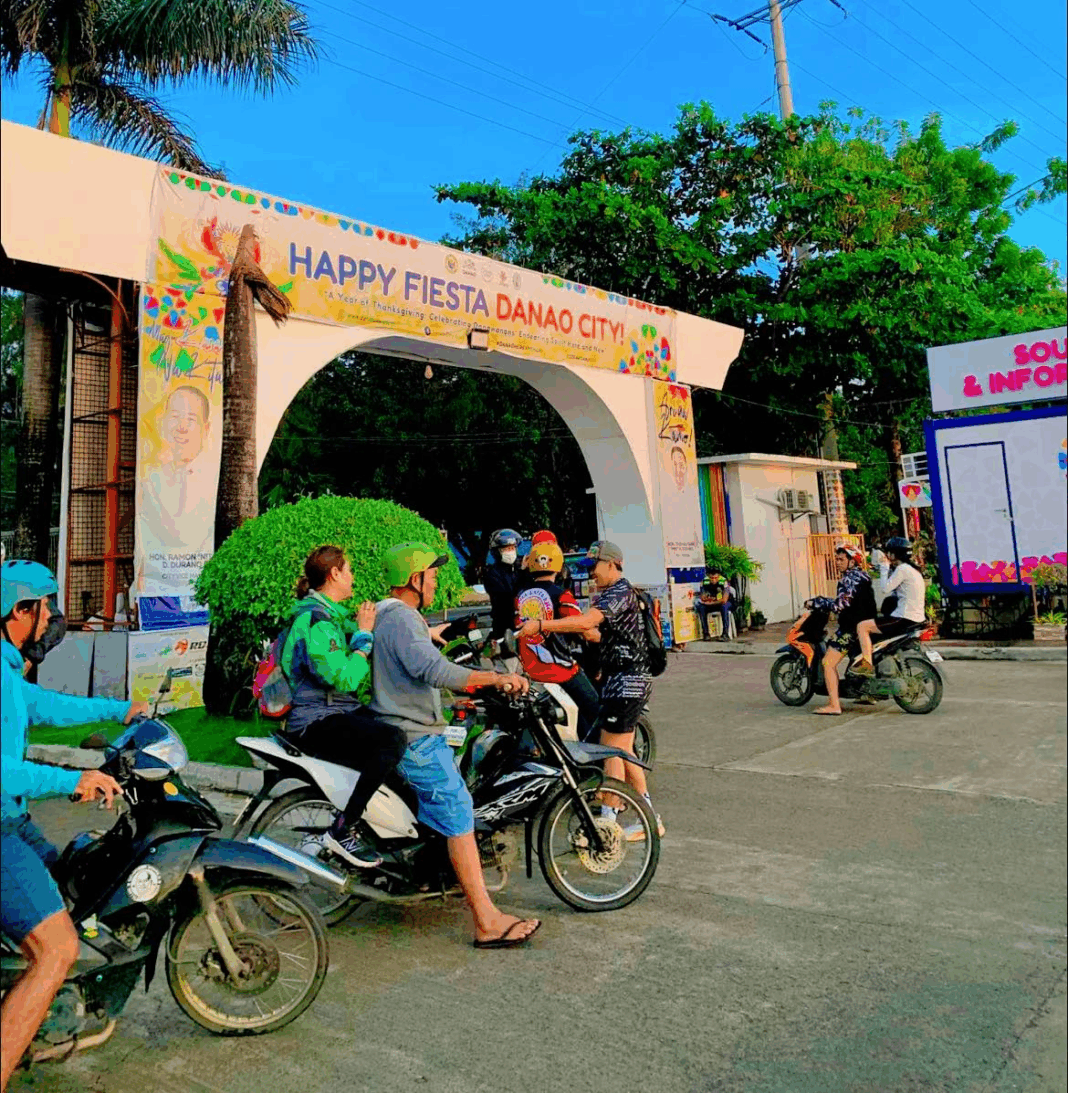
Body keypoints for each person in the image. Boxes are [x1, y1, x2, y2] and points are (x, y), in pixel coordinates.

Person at [1, 560, 148, 1090]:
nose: (52, 620)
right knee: (57, 949)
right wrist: (71, 780)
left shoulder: (7, 669)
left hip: (11, 819)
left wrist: (119, 709)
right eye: (46, 609)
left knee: (75, 880)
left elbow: (44, 706)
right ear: (20, 611)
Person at [370, 542, 541, 948]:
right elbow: (433, 669)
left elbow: (415, 670)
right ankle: (486, 921)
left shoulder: (390, 615)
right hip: (415, 738)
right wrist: (496, 678)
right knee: (459, 812)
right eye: (431, 576)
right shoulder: (401, 619)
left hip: (408, 727)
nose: (435, 582)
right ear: (415, 579)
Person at [519, 540, 664, 840]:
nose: (590, 574)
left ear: (611, 564)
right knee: (623, 750)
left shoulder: (619, 592)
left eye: (594, 567)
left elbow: (587, 621)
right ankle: (649, 818)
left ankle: (607, 824)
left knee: (610, 750)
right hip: (622, 681)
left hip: (627, 682)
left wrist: (543, 625)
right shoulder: (615, 594)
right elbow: (595, 631)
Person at [279, 545, 408, 869]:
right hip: (315, 720)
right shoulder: (317, 621)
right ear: (334, 573)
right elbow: (344, 678)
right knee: (392, 739)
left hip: (334, 711)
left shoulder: (328, 615)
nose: (353, 577)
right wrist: (363, 638)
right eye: (349, 570)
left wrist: (420, 633)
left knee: (394, 724)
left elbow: (363, 634)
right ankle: (343, 828)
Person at [514, 535, 601, 742]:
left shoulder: (520, 596)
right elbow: (581, 627)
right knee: (595, 709)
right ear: (559, 566)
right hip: (560, 670)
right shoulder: (562, 595)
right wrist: (600, 636)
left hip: (531, 670)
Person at [136, 384, 216, 595]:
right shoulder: (150, 480)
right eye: (175, 417)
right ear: (164, 422)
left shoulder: (216, 483)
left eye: (191, 419)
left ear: (206, 428)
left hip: (200, 589)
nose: (181, 427)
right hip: (156, 590)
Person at [805, 543, 877, 715]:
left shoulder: (848, 579)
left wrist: (817, 602)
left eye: (841, 559)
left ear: (852, 562)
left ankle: (834, 705)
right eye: (836, 559)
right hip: (867, 625)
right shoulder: (864, 576)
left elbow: (840, 604)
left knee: (828, 663)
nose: (837, 563)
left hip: (851, 629)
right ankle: (866, 694)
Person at [853, 536, 927, 673]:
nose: (886, 555)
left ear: (894, 554)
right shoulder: (912, 569)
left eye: (888, 552)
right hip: (915, 618)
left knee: (862, 626)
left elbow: (885, 588)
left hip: (904, 618)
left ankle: (867, 664)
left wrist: (884, 567)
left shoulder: (902, 569)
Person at [483, 529, 522, 647]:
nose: (510, 552)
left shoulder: (519, 569)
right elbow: (507, 594)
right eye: (506, 549)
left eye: (512, 548)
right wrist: (523, 573)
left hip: (524, 622)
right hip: (503, 624)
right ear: (497, 552)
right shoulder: (492, 573)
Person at [695, 569, 734, 642]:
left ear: (719, 576)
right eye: (711, 578)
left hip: (726, 603)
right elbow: (703, 598)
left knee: (724, 607)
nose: (713, 580)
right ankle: (706, 634)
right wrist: (710, 600)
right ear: (708, 577)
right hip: (713, 603)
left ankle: (725, 634)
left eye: (715, 578)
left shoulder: (724, 582)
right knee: (701, 607)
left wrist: (711, 601)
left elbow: (724, 600)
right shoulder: (704, 581)